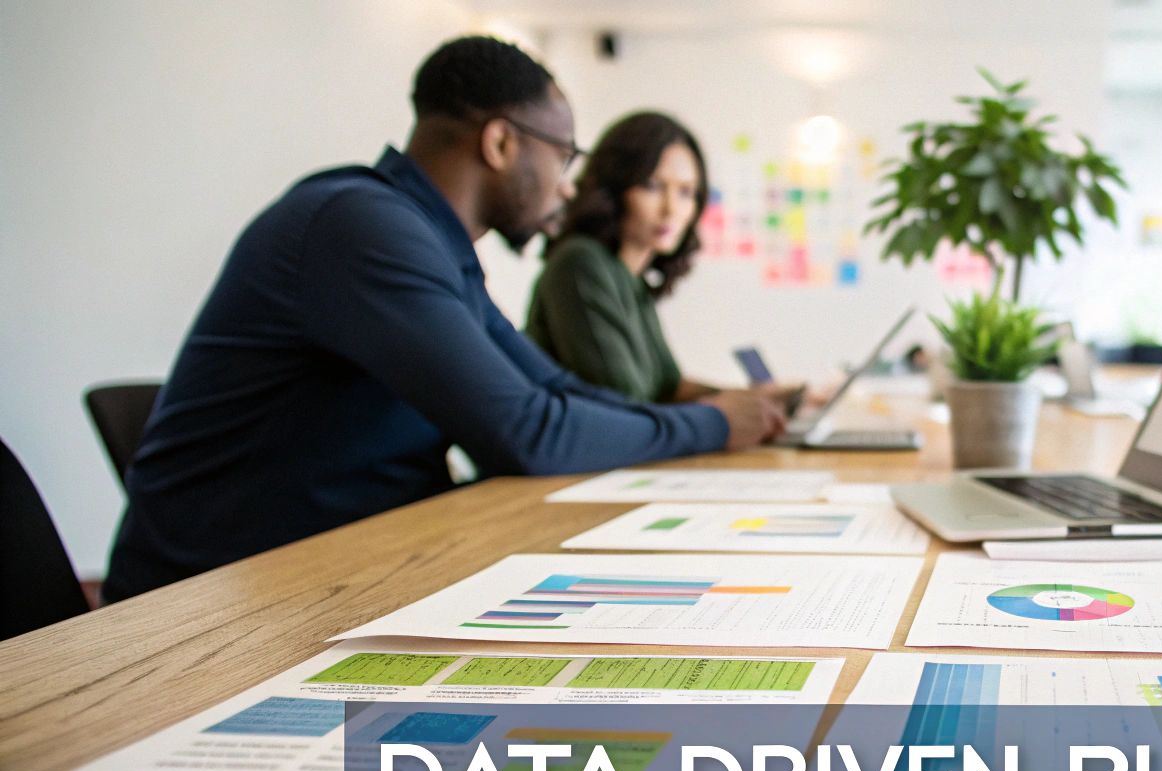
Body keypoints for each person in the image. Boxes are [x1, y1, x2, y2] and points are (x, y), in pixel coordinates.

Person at [103, 37, 786, 602]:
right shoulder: (362, 226)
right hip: (222, 602)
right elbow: (526, 433)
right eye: (565, 155)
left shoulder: (432, 248)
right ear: (500, 144)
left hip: (342, 568)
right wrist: (716, 423)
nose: (569, 184)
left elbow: (554, 391)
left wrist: (715, 419)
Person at [525, 112, 799, 407]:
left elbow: (668, 387)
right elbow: (626, 402)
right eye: (653, 186)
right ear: (615, 187)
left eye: (686, 192)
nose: (672, 209)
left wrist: (758, 399)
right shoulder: (581, 263)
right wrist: (731, 414)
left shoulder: (631, 279)